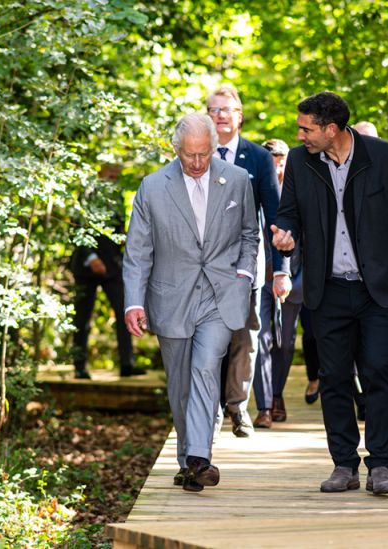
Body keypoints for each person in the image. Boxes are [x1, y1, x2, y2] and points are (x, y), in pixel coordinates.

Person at [271, 92, 388, 495]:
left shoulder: (384, 156)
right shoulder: (300, 161)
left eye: (306, 128)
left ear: (331, 129)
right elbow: (288, 211)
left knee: (380, 371)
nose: (300, 134)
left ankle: (380, 464)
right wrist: (284, 234)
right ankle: (344, 464)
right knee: (335, 377)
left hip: (377, 288)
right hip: (326, 291)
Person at [123, 112, 259, 492]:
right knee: (180, 383)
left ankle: (200, 457)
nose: (198, 163)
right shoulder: (152, 187)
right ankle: (188, 460)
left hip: (220, 295)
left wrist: (244, 275)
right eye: (189, 156)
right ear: (176, 150)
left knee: (204, 369)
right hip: (171, 297)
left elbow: (251, 233)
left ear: (214, 149)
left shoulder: (236, 180)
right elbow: (138, 252)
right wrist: (134, 302)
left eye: (204, 154)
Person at [206, 85, 291, 438]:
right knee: (208, 341)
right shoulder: (196, 154)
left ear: (239, 116)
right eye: (214, 110)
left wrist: (281, 271)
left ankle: (238, 407)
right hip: (204, 270)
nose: (220, 115)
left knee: (245, 339)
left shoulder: (257, 158)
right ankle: (209, 411)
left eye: (227, 109)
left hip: (247, 268)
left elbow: (275, 215)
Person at [70, 164, 143, 380]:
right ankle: (79, 366)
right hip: (86, 268)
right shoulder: (87, 194)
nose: (113, 177)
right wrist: (91, 258)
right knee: (82, 318)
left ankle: (127, 363)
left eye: (116, 174)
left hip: (113, 267)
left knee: (125, 312)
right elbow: (76, 227)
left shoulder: (118, 198)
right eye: (110, 173)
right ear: (100, 172)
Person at [252, 139, 304, 428]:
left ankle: (277, 394)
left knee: (285, 344)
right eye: (273, 160)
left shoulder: (297, 194)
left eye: (282, 160)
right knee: (261, 339)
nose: (278, 166)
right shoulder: (254, 192)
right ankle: (263, 407)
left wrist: (299, 281)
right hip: (260, 278)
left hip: (292, 280)